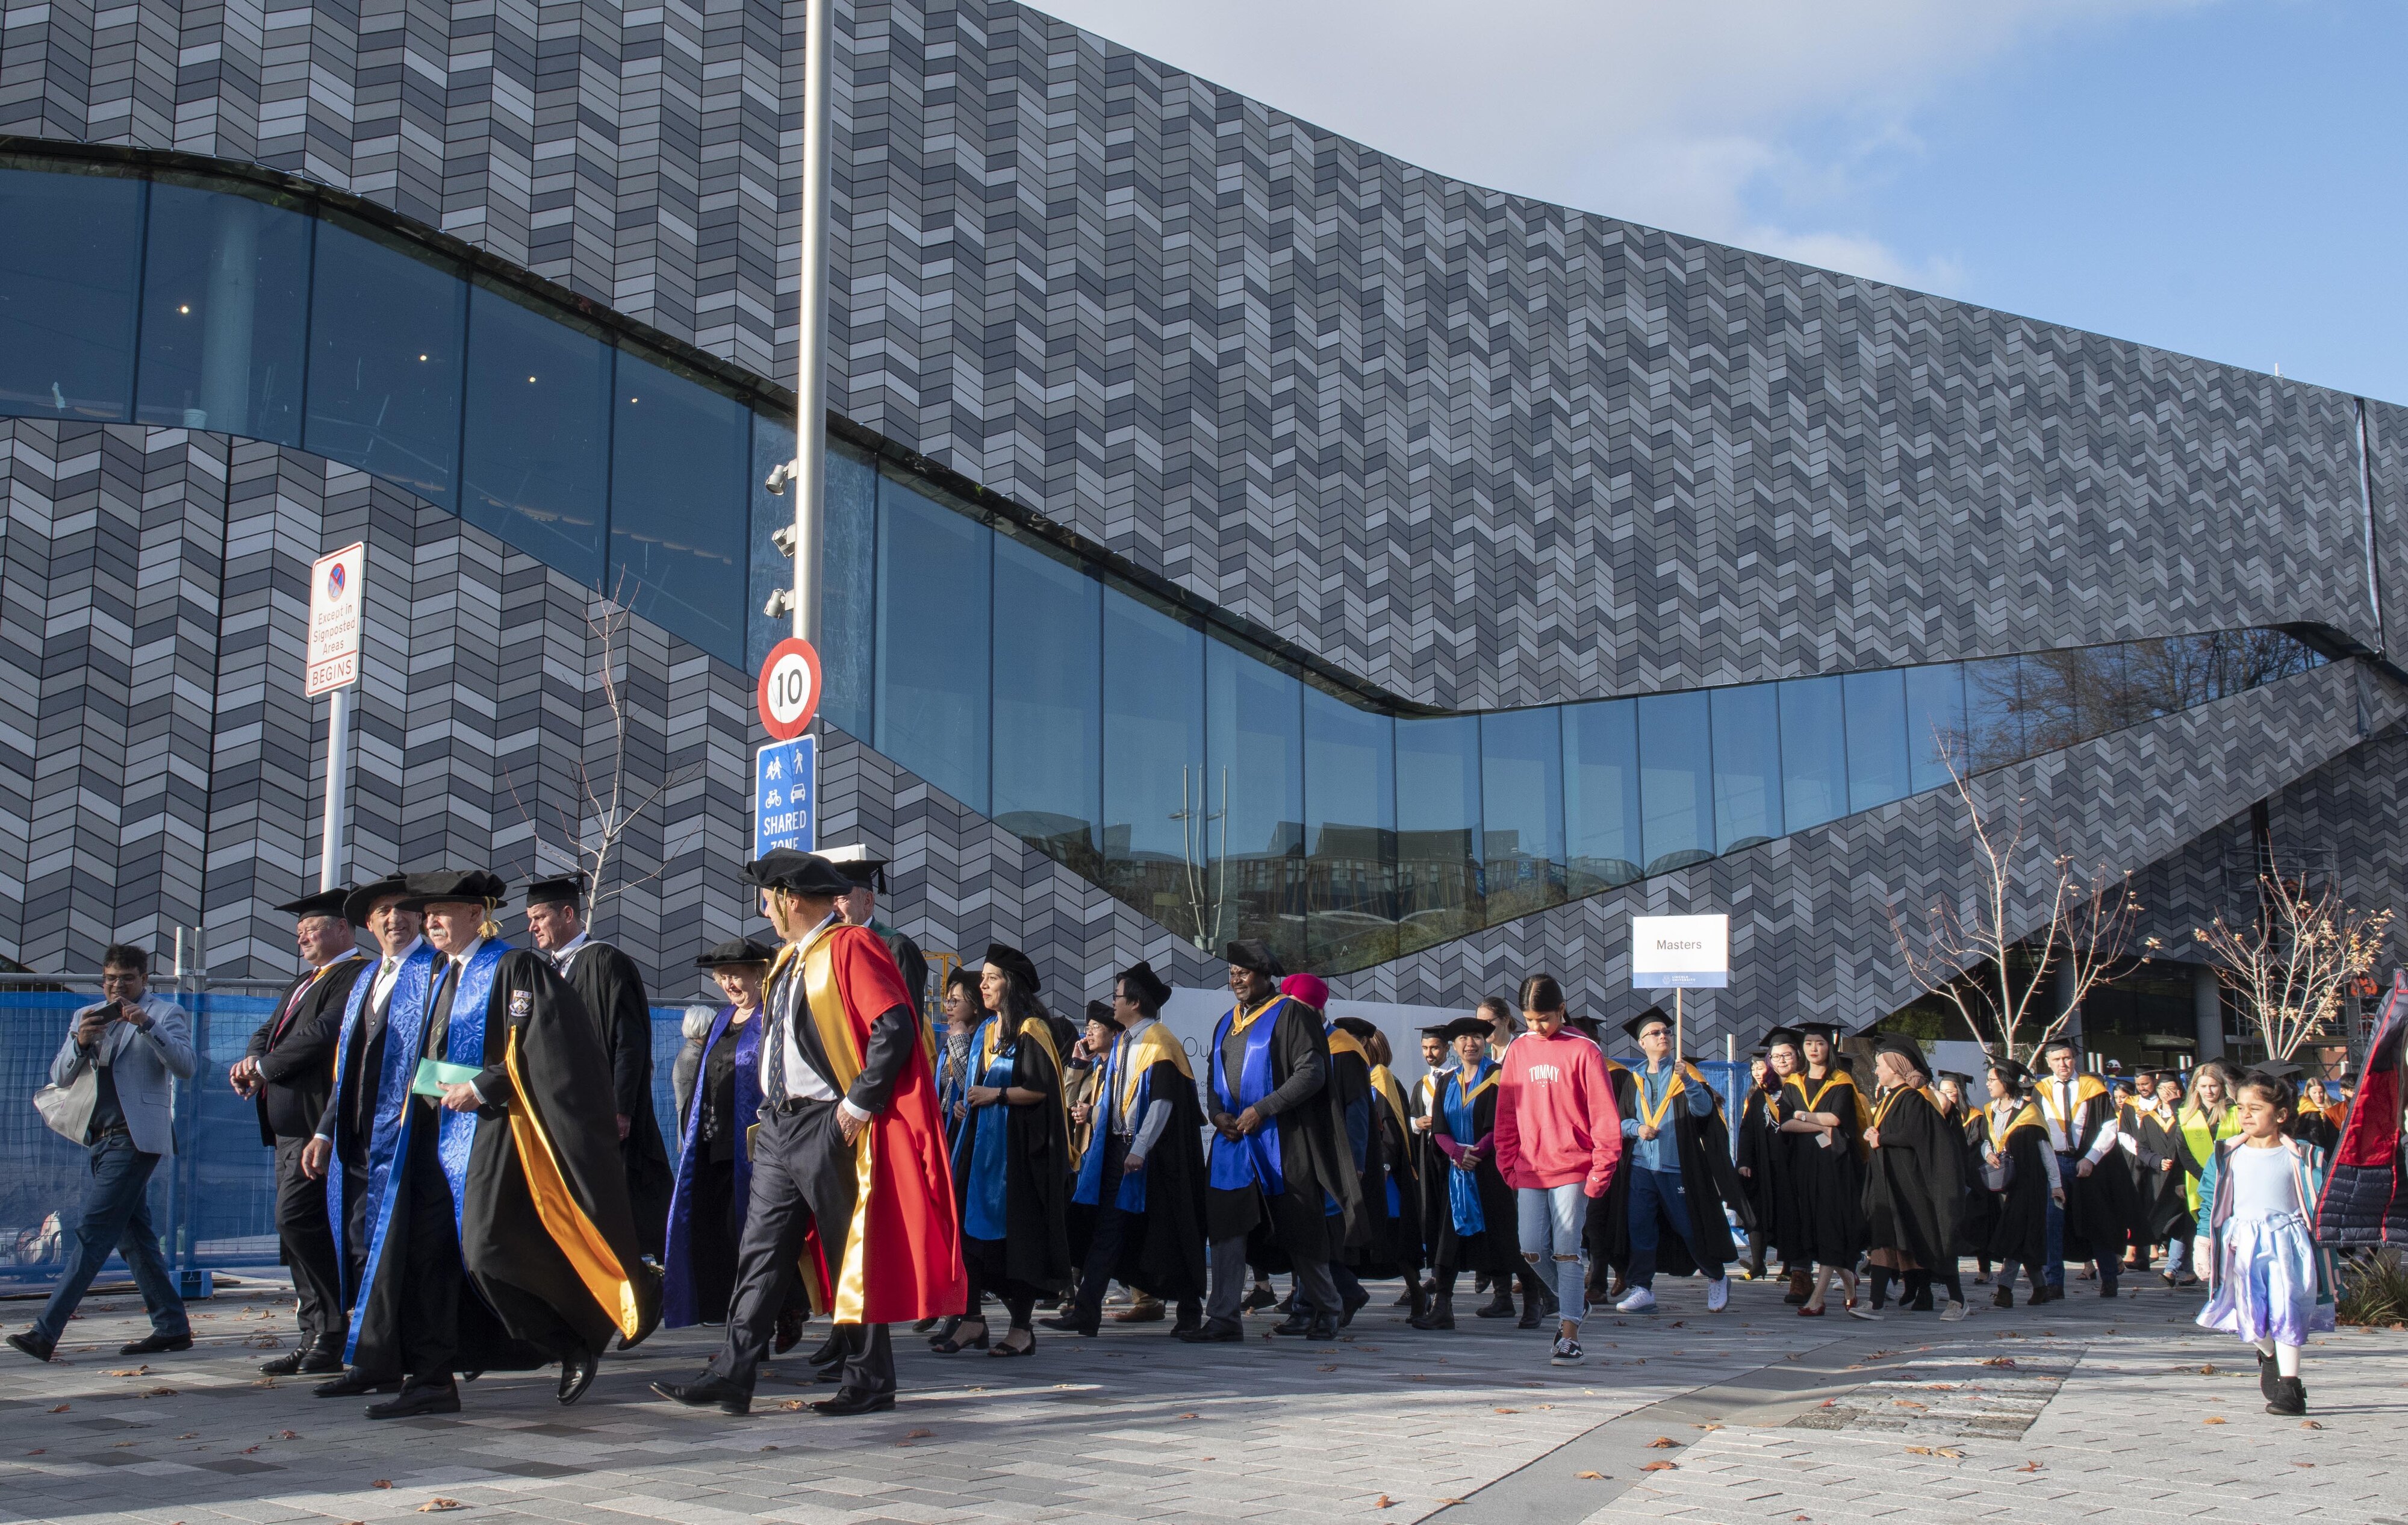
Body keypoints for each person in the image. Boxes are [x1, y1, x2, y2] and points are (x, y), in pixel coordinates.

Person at [654, 849, 964, 1417]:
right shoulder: (787, 960)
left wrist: (858, 1104)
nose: (763, 908)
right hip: (778, 1125)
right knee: (760, 1252)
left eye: (767, 898)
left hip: (828, 1123)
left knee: (852, 1251)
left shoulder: (850, 946)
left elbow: (893, 1027)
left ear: (790, 898)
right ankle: (733, 1371)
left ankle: (871, 1379)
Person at [341, 870, 656, 1418]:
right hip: (429, 1137)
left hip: (494, 1137)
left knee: (487, 1250)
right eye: (428, 913)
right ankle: (432, 1380)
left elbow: (550, 1047)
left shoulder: (514, 967)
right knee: (427, 1258)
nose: (431, 921)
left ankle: (572, 1337)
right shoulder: (438, 975)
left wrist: (484, 1085)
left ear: (477, 914)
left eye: (443, 912)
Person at [7, 945, 196, 1365]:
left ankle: (45, 1332)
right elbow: (59, 1076)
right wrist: (80, 1042)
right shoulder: (86, 1015)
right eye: (110, 978)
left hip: (137, 1139)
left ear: (144, 979)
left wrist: (146, 1025)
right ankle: (171, 1326)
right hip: (100, 1138)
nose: (117, 986)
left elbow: (185, 1066)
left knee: (92, 1233)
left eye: (126, 978)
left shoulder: (165, 1014)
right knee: (135, 1239)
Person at [1181, 939, 1363, 1344]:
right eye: (1231, 974)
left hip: (1282, 1141)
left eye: (1243, 973)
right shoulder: (1225, 1022)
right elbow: (1214, 1079)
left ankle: (1328, 1306)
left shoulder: (1292, 1014)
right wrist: (1216, 1115)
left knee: (1298, 1230)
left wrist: (1263, 1109)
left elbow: (1311, 1073)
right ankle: (1224, 1317)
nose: (1236, 981)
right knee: (1226, 1229)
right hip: (1233, 1144)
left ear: (1265, 976)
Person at [235, 888, 370, 1376]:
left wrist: (266, 1069)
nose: (303, 940)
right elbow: (269, 1030)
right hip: (286, 1129)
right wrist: (252, 1059)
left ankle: (332, 1330)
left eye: (311, 931)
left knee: (298, 1221)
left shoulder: (355, 976)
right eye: (299, 934)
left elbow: (325, 1033)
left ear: (342, 930)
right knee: (291, 1233)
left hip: (319, 1125)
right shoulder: (305, 980)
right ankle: (313, 1333)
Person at [300, 873, 422, 1399]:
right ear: (367, 924)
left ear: (419, 917)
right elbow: (345, 1065)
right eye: (381, 912)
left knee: (398, 1250)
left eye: (401, 909)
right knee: (358, 1246)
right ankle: (374, 1357)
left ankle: (401, 1357)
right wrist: (325, 1130)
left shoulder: (436, 971)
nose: (392, 919)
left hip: (409, 1137)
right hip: (356, 1137)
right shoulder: (368, 977)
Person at [1048, 961, 1207, 1337]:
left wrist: (1140, 1147)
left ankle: (1189, 1311)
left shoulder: (1160, 1043)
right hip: (1117, 1152)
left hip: (1157, 1157)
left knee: (1170, 1228)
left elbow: (1162, 1104)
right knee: (1107, 1228)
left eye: (1117, 997)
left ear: (1135, 1002)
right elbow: (1121, 1102)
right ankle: (1087, 1313)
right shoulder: (1124, 1043)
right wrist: (1098, 1117)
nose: (1113, 1004)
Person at [524, 874, 674, 1260]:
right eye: (531, 918)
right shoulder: (543, 971)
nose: (532, 927)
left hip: (601, 1111)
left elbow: (630, 1041)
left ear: (568, 914)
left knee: (615, 1203)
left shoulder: (605, 961)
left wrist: (621, 1107)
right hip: (558, 1112)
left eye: (540, 917)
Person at [938, 944, 1072, 1357]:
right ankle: (972, 1320)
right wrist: (966, 1101)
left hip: (1017, 1156)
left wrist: (993, 1094)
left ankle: (1021, 1328)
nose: (983, 984)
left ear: (1010, 985)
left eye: (991, 978)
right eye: (983, 978)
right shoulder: (985, 1030)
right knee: (966, 1235)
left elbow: (1038, 1091)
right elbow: (974, 1085)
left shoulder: (1033, 1030)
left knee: (1020, 1241)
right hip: (978, 1150)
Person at [661, 938, 795, 1336]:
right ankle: (751, 1322)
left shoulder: (773, 1019)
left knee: (753, 1240)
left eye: (735, 975)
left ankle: (772, 1318)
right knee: (720, 1238)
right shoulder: (722, 1021)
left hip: (757, 1151)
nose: (728, 984)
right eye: (721, 977)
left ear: (759, 974)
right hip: (714, 1145)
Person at [1494, 976, 1621, 1365]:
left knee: (1567, 1251)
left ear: (1561, 1010)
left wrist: (1601, 1168)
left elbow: (1603, 1116)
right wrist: (1507, 1163)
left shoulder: (1585, 1050)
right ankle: (1575, 1303)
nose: (1536, 1027)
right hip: (1530, 1168)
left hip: (1572, 1167)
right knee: (1531, 1249)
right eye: (1530, 1020)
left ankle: (1568, 1334)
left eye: (1543, 1019)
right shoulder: (1518, 1050)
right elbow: (1506, 1113)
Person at [2196, 1067, 2335, 1417]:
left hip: (2288, 1242)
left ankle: (2290, 1388)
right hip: (2243, 1243)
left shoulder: (2302, 1155)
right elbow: (2210, 1199)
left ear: (2281, 1115)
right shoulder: (2227, 1155)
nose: (2245, 1115)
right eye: (2240, 1107)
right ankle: (2268, 1352)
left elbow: (2323, 1197)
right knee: (2250, 1312)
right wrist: (2203, 1241)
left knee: (2289, 1307)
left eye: (2255, 1108)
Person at [1613, 1007, 1743, 1315]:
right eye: (1655, 1033)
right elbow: (1620, 1121)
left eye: (1667, 1032)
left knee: (1689, 1227)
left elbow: (1703, 1112)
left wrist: (1689, 1082)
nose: (1663, 1036)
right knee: (1640, 1227)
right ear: (1641, 1043)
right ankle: (1641, 1288)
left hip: (1676, 1166)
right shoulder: (1634, 1079)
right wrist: (1636, 1128)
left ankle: (1716, 1276)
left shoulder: (1684, 1074)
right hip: (1641, 1167)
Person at [1415, 1014, 1522, 1329]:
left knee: (1500, 1234)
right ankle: (1442, 1306)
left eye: (1476, 1036)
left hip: (1492, 1170)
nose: (1470, 1043)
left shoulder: (1500, 1076)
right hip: (1458, 1172)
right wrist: (1458, 1153)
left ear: (1485, 1040)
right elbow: (1439, 1126)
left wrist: (1477, 1153)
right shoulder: (1448, 1081)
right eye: (1462, 1039)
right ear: (1454, 1046)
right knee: (1449, 1236)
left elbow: (1504, 1122)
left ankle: (1506, 1297)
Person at [1859, 1034, 1966, 1320]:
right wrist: (1875, 1136)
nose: (1876, 1070)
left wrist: (1882, 1138)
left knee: (1930, 1240)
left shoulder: (1913, 1099)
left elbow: (1916, 1135)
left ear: (1895, 1068)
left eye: (1880, 1065)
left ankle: (1957, 1300)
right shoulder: (1890, 1098)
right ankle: (1875, 1304)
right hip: (1888, 1184)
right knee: (1884, 1241)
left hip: (1912, 1185)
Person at [2035, 1037, 2137, 1300]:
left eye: (2067, 1058)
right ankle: (2054, 1283)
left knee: (2097, 1222)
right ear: (2048, 1062)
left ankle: (2109, 1280)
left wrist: (2091, 1158)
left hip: (2087, 1164)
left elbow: (2109, 1127)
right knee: (2053, 1224)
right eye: (2057, 1060)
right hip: (2054, 1163)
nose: (2063, 1064)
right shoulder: (2040, 1090)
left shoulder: (2093, 1088)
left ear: (2075, 1059)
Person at [1782, 1021, 1869, 1317]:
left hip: (1836, 1164)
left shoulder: (1841, 1081)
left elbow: (1837, 1119)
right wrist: (1814, 1122)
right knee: (1813, 1227)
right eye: (1809, 1044)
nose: (1814, 1049)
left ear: (1829, 1047)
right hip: (1804, 1164)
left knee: (1829, 1225)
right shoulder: (1794, 1081)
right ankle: (1849, 1284)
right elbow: (1785, 1123)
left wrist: (1803, 1116)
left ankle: (1817, 1299)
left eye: (1819, 1043)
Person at [1974, 1058, 2061, 1308]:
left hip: (2029, 1182)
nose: (1988, 1084)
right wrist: (1987, 1153)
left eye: (1992, 1080)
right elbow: (1986, 1140)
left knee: (2014, 1232)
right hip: (2002, 1182)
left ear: (2006, 1082)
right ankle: (2041, 1287)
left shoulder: (2029, 1113)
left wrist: (2056, 1185)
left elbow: (2046, 1150)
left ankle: (2004, 1290)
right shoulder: (1990, 1110)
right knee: (2021, 1236)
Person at [1360, 1020, 1427, 1320]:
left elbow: (1389, 1127)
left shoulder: (1380, 1077)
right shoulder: (1364, 1077)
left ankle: (1418, 1295)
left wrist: (1384, 1164)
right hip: (1373, 1170)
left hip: (1386, 1176)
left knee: (1395, 1241)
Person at [821, 846, 930, 1028]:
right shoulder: (829, 948)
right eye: (830, 900)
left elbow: (907, 1025)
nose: (834, 908)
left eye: (842, 899)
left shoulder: (896, 947)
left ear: (868, 901)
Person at [2180, 1061, 2242, 1288]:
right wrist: (2207, 1176)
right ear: (2195, 1087)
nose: (2209, 1091)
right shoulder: (2185, 1115)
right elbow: (2184, 1152)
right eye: (2203, 1086)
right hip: (2201, 1184)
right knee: (2205, 1233)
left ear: (2222, 1086)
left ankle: (2229, 1279)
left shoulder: (2236, 1112)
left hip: (2232, 1182)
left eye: (2213, 1085)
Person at [2130, 1070, 2196, 1283]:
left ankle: (2172, 1269)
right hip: (2159, 1178)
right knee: (2170, 1224)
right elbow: (2142, 1148)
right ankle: (2188, 1270)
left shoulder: (2188, 1116)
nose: (2167, 1094)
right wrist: (2157, 1161)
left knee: (2180, 1222)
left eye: (2171, 1090)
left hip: (2184, 1177)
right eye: (2162, 1090)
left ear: (2179, 1091)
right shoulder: (2149, 1119)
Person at [1734, 1047, 1781, 1280]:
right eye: (1753, 1068)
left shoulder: (1787, 1090)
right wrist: (1743, 1160)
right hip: (1759, 1164)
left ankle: (1793, 1267)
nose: (1756, 1071)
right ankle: (1758, 1263)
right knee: (1755, 1212)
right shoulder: (1755, 1094)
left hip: (1782, 1164)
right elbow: (1746, 1130)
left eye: (1760, 1067)